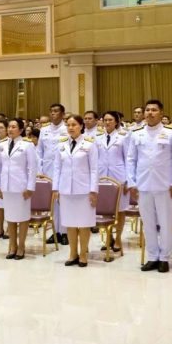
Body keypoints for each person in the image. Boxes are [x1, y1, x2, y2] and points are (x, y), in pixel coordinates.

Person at [125, 99, 172, 273]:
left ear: (161, 113)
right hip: (143, 185)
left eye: (154, 110)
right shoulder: (136, 134)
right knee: (148, 223)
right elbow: (130, 160)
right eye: (148, 110)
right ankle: (152, 256)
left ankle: (164, 258)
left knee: (165, 223)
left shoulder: (171, 133)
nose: (150, 113)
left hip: (165, 185)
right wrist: (132, 183)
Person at [52, 114, 99, 266]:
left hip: (84, 190)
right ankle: (73, 253)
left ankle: (83, 254)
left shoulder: (89, 144)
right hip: (66, 190)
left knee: (84, 223)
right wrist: (55, 188)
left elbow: (94, 169)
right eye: (68, 125)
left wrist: (93, 190)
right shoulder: (61, 144)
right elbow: (57, 168)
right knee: (70, 223)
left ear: (81, 126)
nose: (71, 128)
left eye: (74, 125)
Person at [0, 117, 37, 260]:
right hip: (6, 187)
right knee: (10, 217)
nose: (10, 129)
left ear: (20, 130)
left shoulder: (27, 145)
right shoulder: (2, 145)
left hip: (21, 187)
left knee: (23, 217)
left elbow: (32, 168)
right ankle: (12, 245)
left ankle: (21, 246)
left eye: (14, 127)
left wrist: (30, 187)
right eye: (9, 127)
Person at [95, 110, 127, 252]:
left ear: (116, 122)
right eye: (105, 120)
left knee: (120, 210)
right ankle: (109, 238)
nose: (107, 122)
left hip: (119, 177)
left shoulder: (123, 137)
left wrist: (128, 180)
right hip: (102, 177)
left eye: (110, 120)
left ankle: (118, 238)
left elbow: (128, 159)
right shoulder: (97, 138)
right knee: (106, 209)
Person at [37, 103, 69, 246]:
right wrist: (40, 171)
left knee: (63, 201)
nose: (53, 113)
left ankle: (66, 232)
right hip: (48, 170)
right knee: (53, 203)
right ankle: (56, 232)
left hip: (63, 170)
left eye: (56, 111)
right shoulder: (44, 130)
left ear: (62, 114)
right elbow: (39, 151)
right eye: (51, 111)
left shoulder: (67, 129)